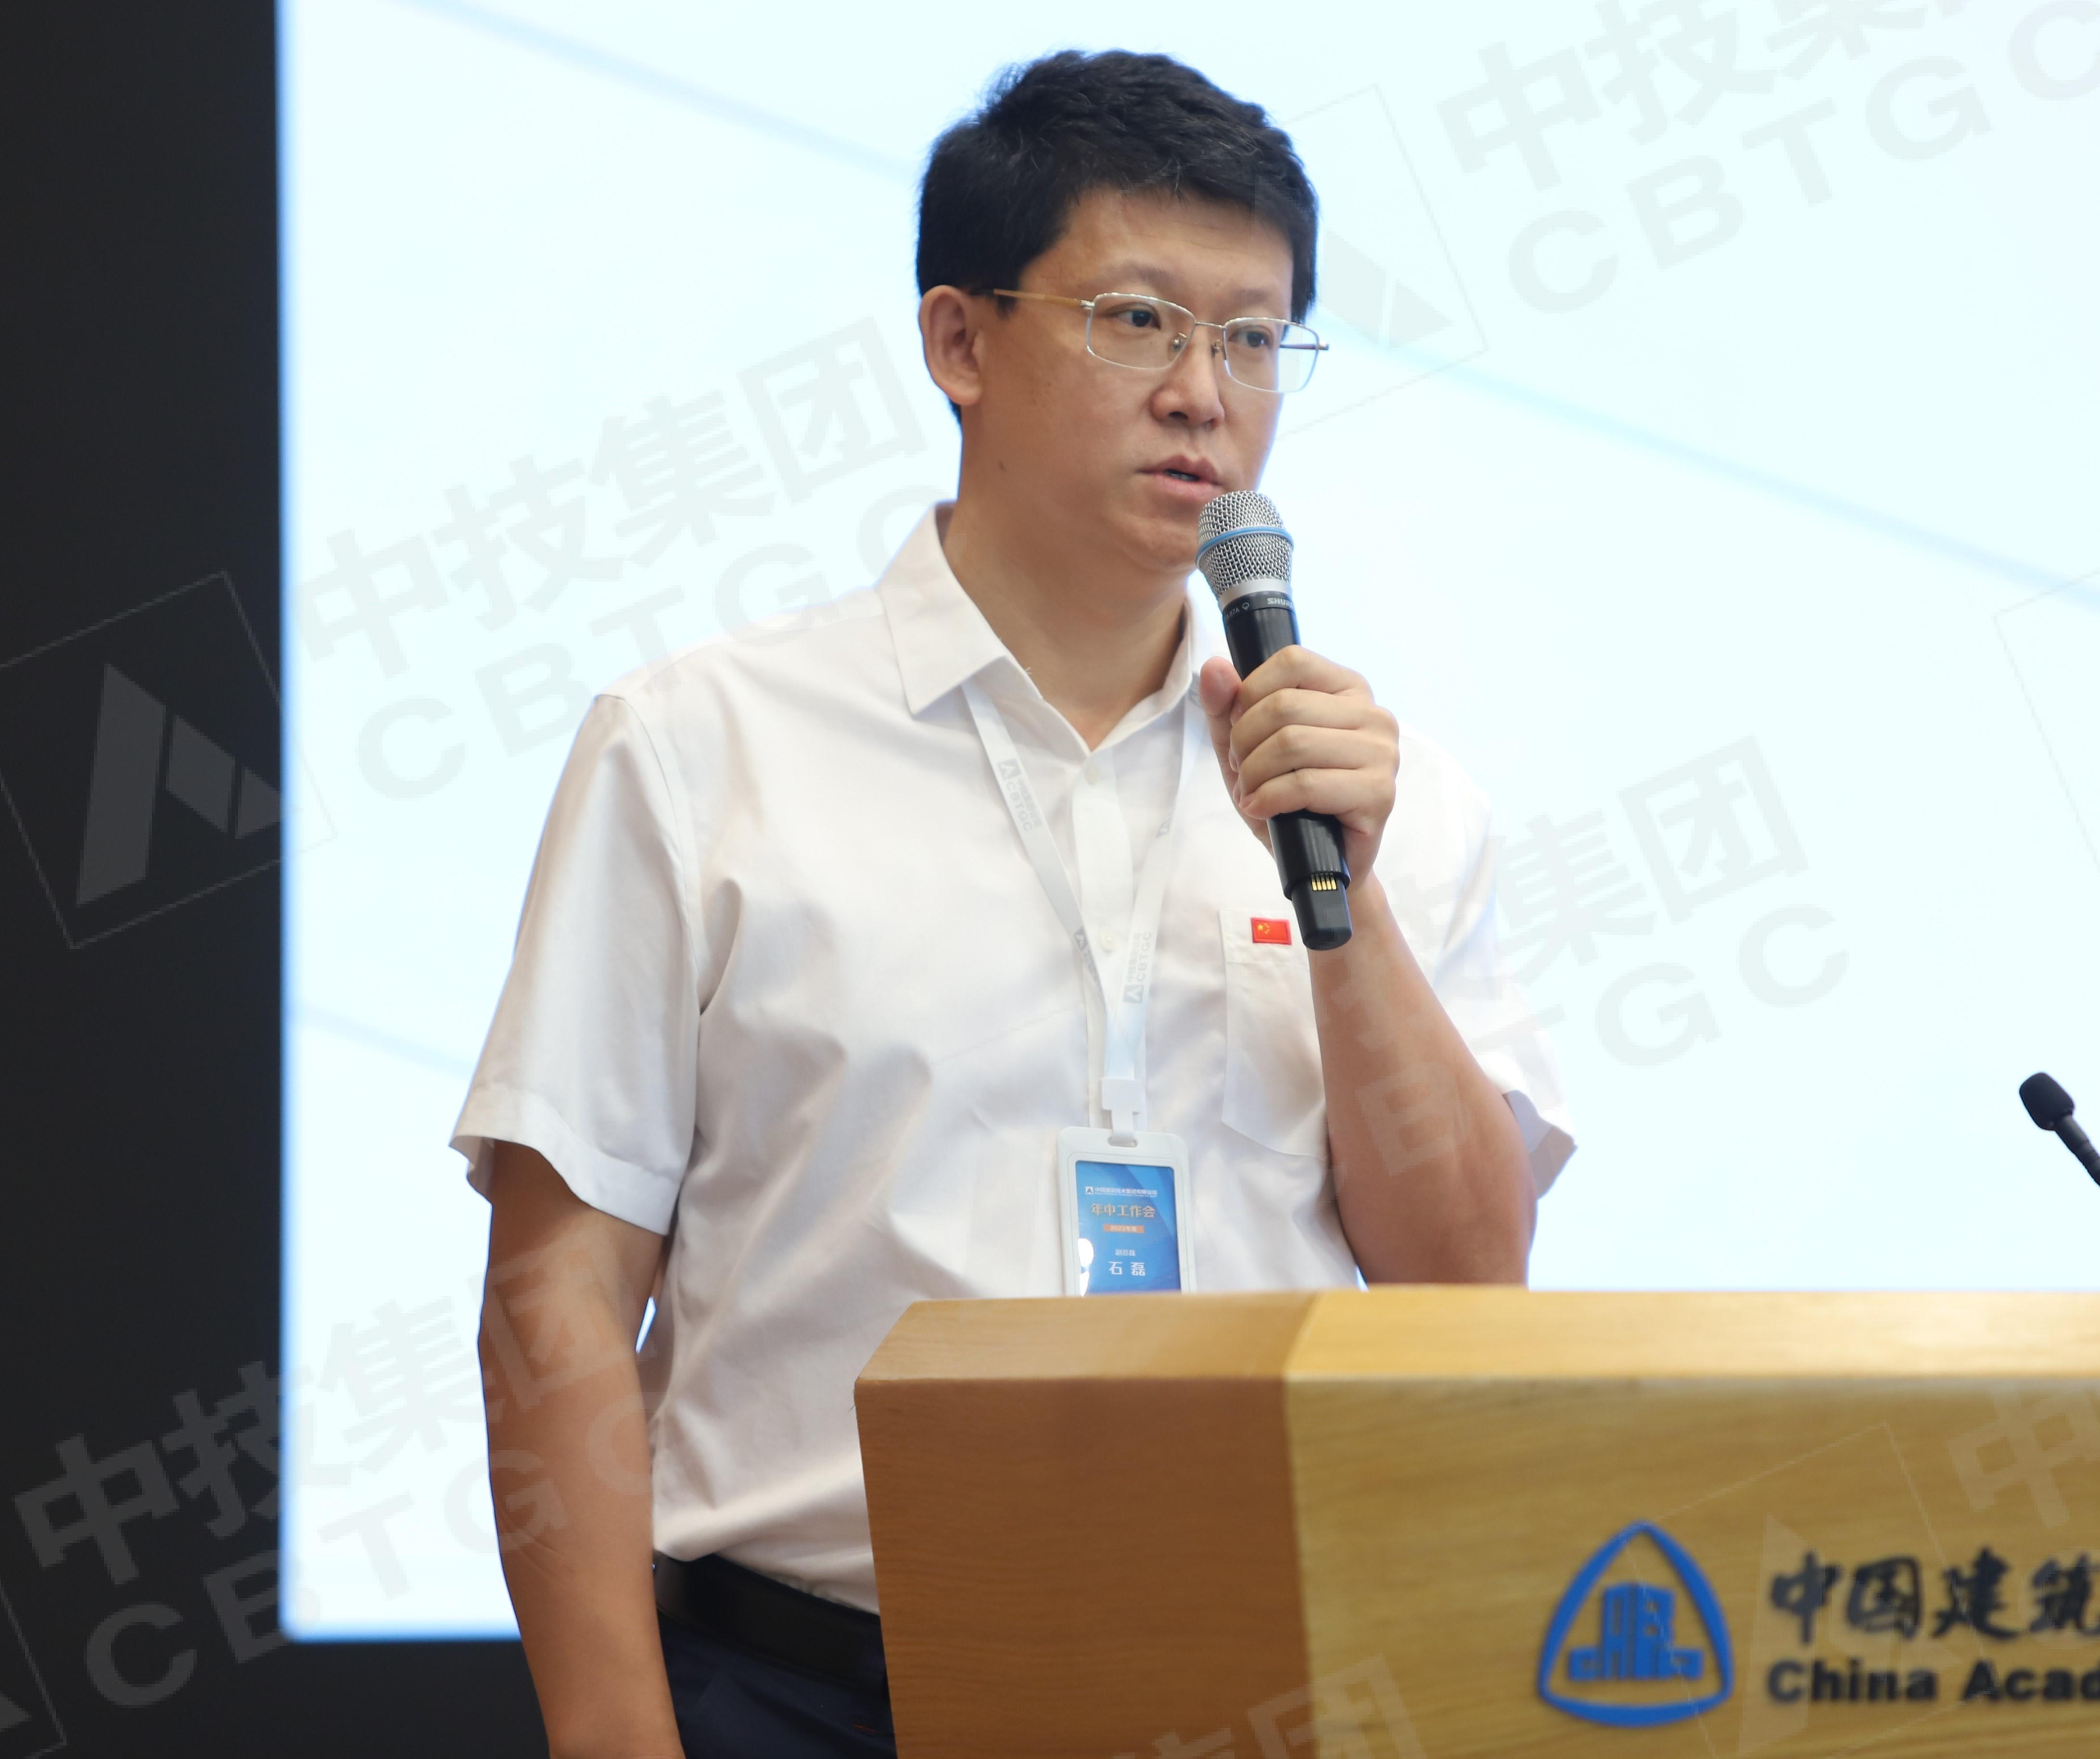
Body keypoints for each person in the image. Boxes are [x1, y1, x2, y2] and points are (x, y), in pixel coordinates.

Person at [458, 48, 1572, 1759]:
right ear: (958, 341)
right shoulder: (702, 746)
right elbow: (558, 1293)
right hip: (805, 1689)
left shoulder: (1372, 790)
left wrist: (1345, 895)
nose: (1203, 393)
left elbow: (1461, 1283)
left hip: (1254, 1683)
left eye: (1254, 338)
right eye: (1138, 321)